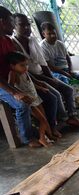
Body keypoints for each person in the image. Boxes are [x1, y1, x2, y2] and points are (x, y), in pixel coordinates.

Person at [12, 13, 61, 138]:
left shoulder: (32, 41)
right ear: (14, 25)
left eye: (28, 24)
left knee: (59, 92)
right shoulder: (12, 44)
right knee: (52, 98)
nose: (27, 28)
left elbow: (41, 65)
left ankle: (54, 127)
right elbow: (15, 84)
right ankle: (48, 131)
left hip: (36, 79)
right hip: (30, 89)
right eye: (22, 25)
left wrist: (48, 80)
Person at [0, 6, 40, 147]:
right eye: (11, 22)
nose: (13, 26)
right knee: (22, 104)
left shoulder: (7, 41)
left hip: (12, 80)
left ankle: (40, 128)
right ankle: (27, 138)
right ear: (2, 22)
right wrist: (15, 92)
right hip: (3, 85)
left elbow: (18, 64)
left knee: (38, 95)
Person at [7, 51, 56, 146]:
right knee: (42, 120)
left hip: (36, 99)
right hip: (29, 102)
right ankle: (42, 138)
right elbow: (10, 87)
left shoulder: (25, 73)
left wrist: (41, 88)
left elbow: (32, 85)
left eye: (26, 65)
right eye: (22, 65)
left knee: (44, 118)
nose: (26, 67)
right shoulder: (13, 74)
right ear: (12, 66)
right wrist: (19, 95)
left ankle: (50, 135)